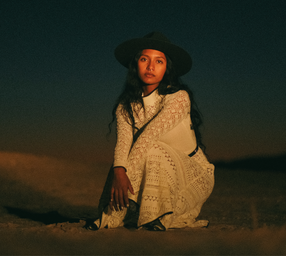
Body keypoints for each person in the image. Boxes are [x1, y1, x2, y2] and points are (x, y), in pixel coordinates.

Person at [87, 31, 214, 231]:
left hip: (193, 174)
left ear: (167, 68)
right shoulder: (126, 105)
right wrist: (118, 170)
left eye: (159, 61)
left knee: (152, 148)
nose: (150, 67)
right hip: (150, 165)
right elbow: (123, 143)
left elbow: (148, 137)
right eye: (144, 59)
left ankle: (156, 215)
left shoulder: (178, 98)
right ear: (135, 64)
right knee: (121, 161)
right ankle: (116, 214)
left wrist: (122, 174)